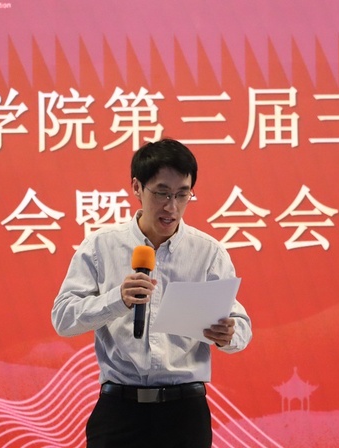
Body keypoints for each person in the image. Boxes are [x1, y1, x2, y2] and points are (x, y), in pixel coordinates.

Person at [51, 138, 252, 447]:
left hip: (184, 413)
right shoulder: (101, 246)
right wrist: (117, 299)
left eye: (182, 194)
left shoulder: (208, 252)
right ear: (137, 187)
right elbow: (63, 319)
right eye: (161, 193)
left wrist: (228, 335)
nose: (172, 206)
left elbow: (241, 328)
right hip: (119, 410)